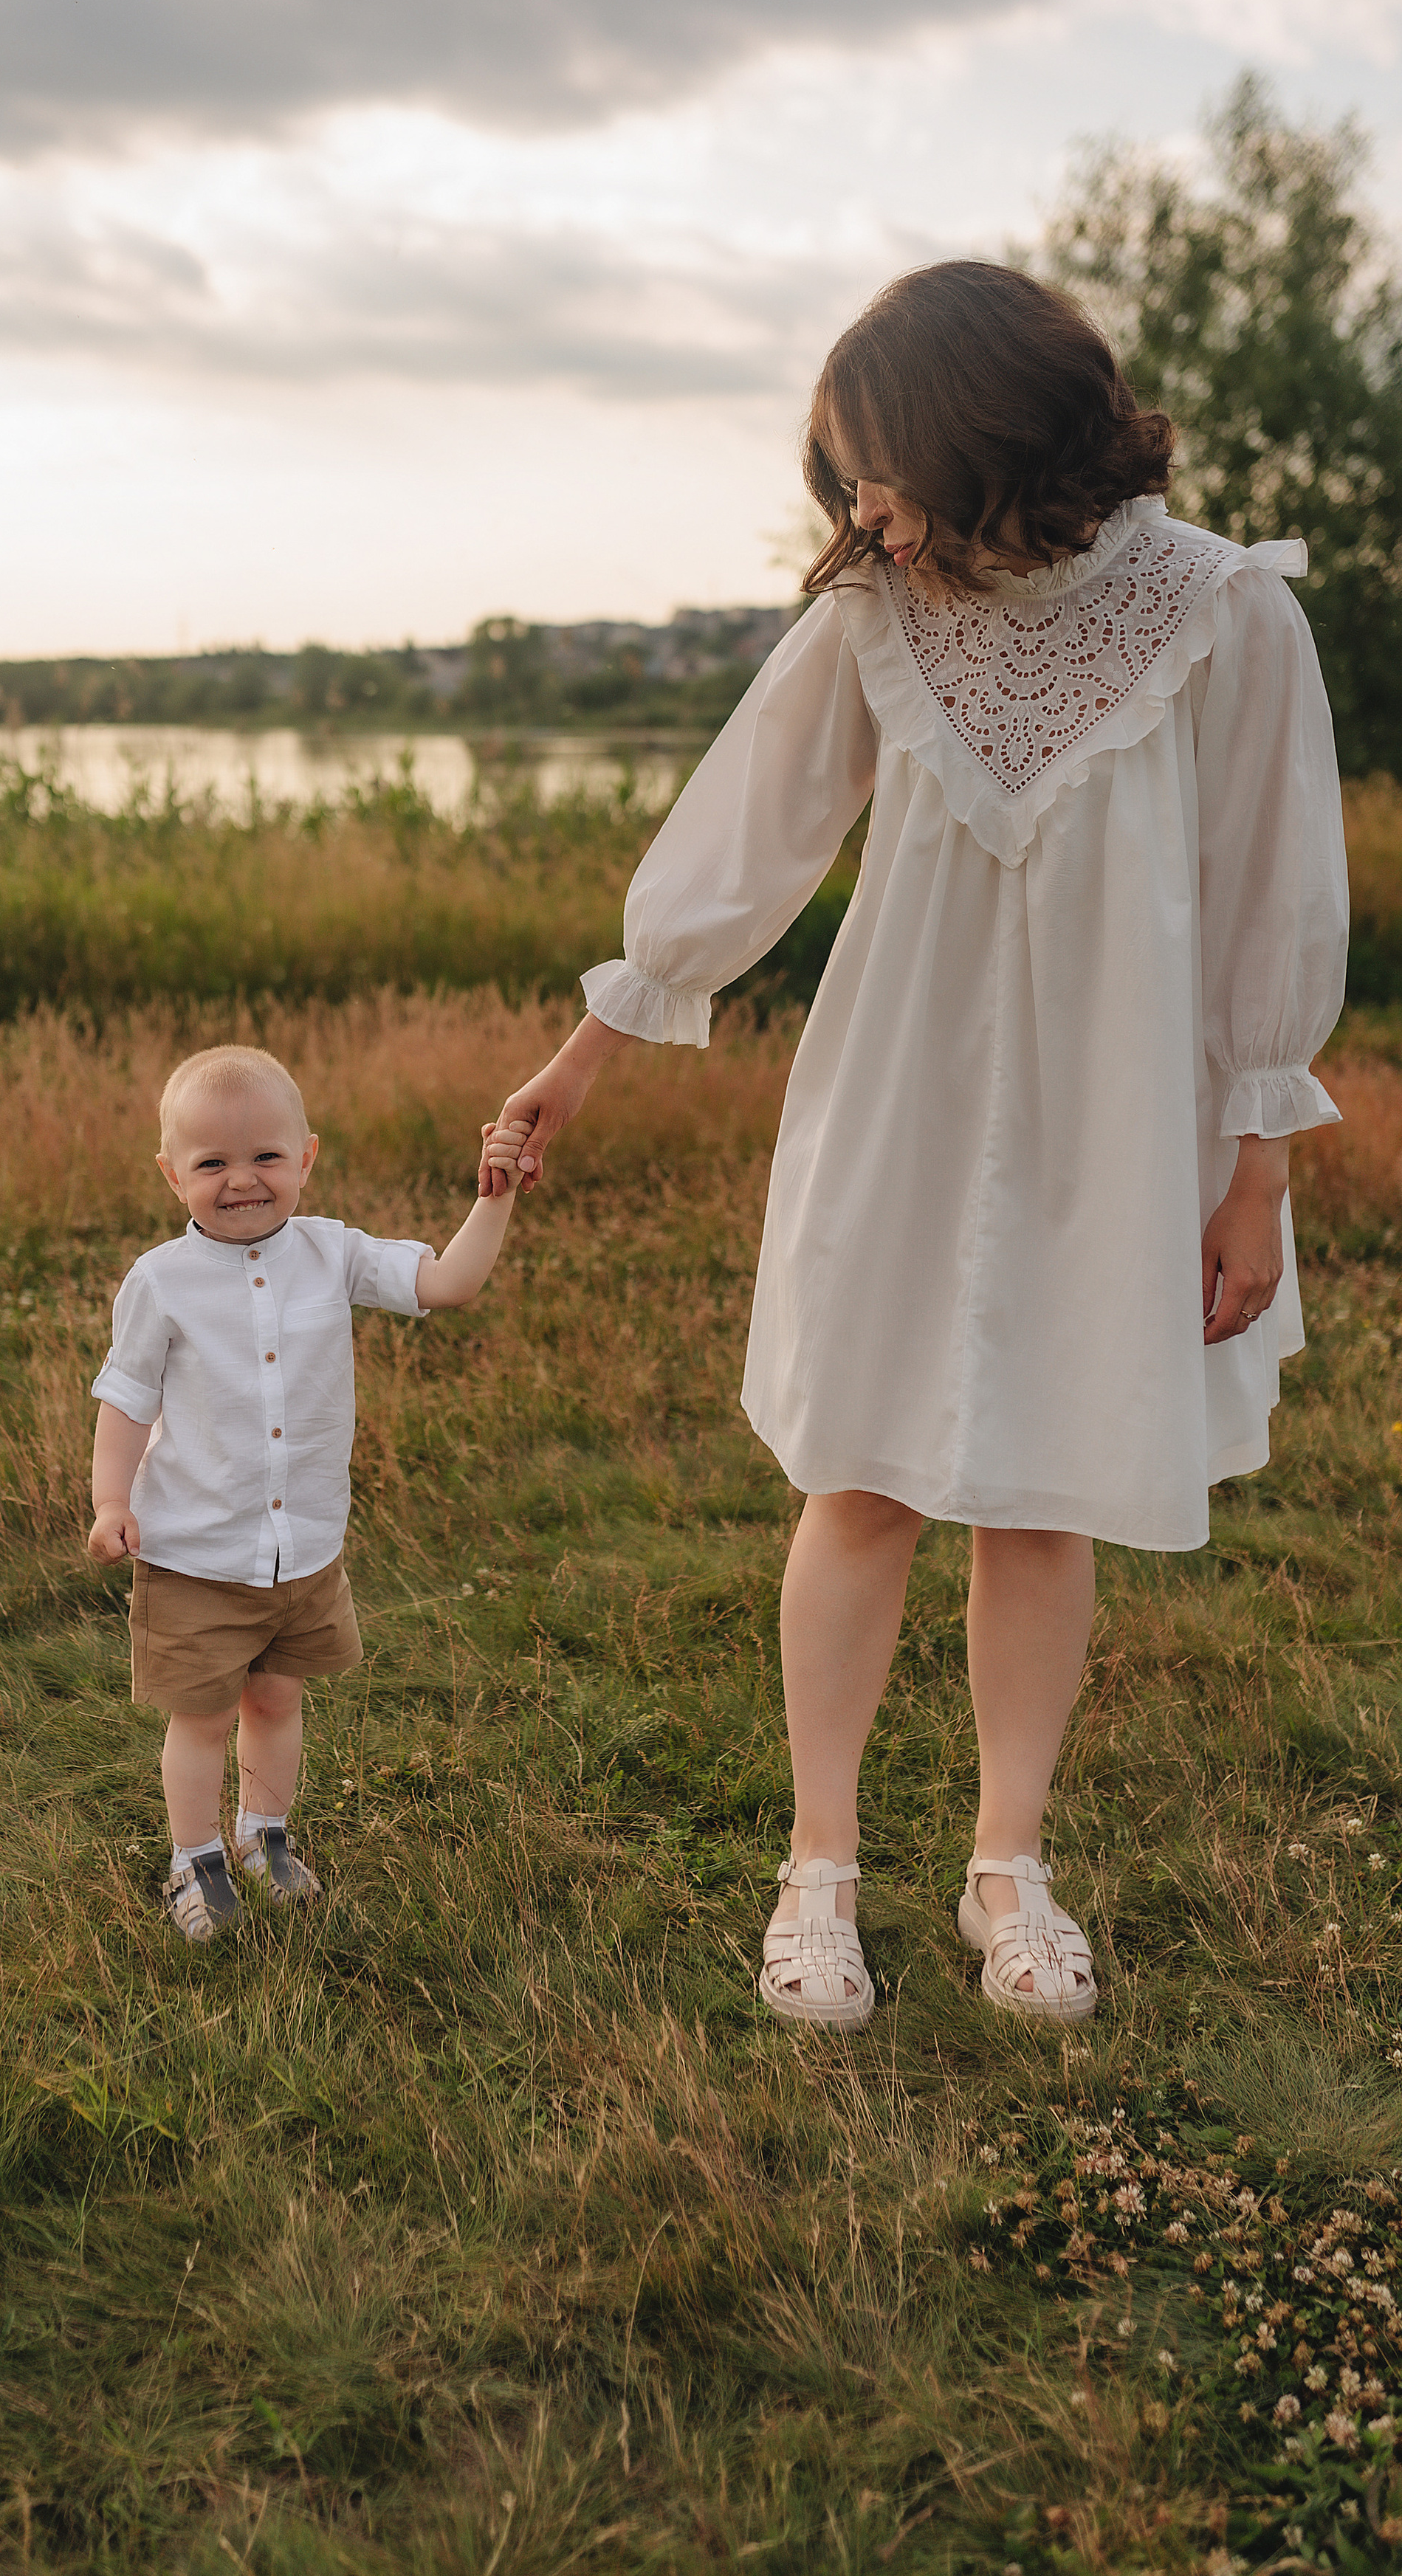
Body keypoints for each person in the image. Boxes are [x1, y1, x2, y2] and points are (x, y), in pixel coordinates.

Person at [487, 260, 1349, 2029]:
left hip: (1120, 1116)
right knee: (860, 1475)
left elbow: (1272, 892)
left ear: (979, 428)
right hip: (896, 1093)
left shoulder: (1223, 612)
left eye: (869, 465)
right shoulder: (875, 609)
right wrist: (585, 1051)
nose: (854, 507)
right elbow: (742, 844)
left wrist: (1254, 1162)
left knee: (1042, 1487)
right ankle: (816, 1874)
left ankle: (1004, 1870)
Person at [89, 1044, 530, 1943]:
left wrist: (495, 1200)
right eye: (212, 1163)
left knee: (278, 1700)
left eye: (265, 1158)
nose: (241, 1180)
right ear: (172, 1175)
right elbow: (126, 1400)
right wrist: (110, 1502)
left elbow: (449, 1282)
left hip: (304, 1548)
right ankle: (195, 1860)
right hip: (198, 1553)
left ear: (307, 1158)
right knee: (205, 1713)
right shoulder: (160, 1282)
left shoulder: (334, 1253)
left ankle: (265, 1838)